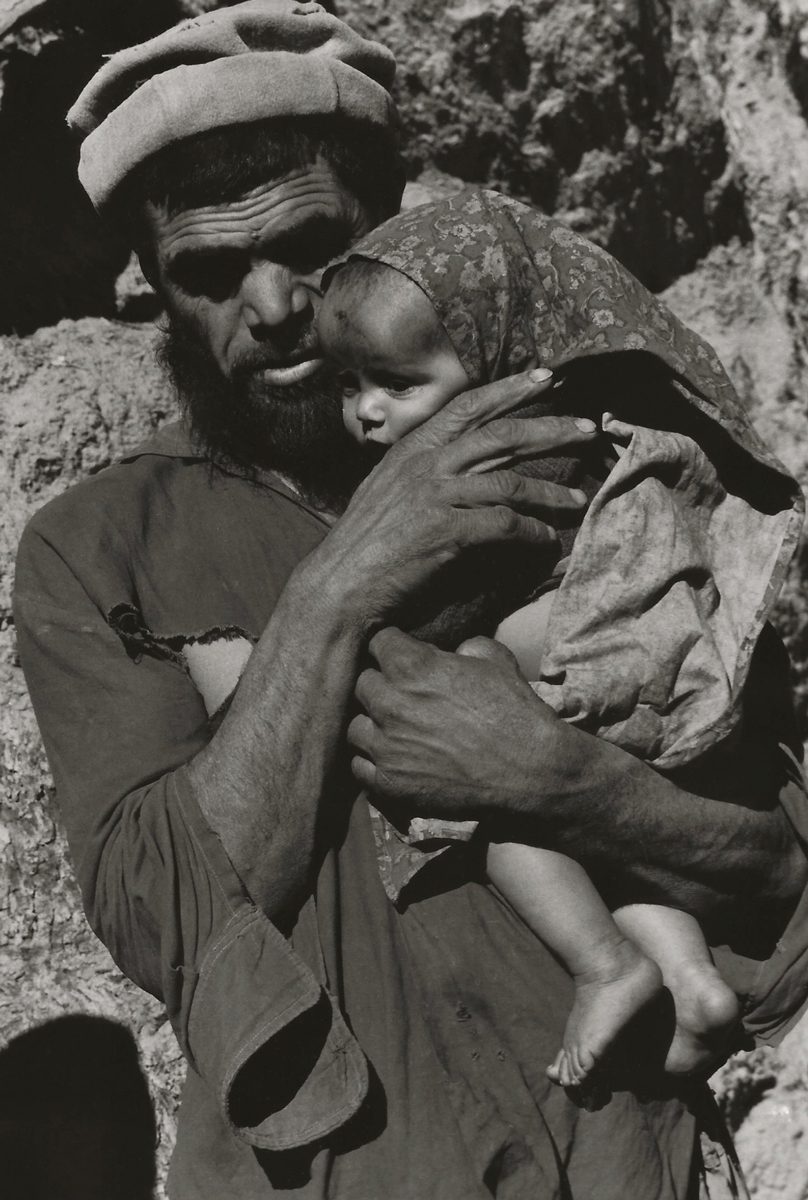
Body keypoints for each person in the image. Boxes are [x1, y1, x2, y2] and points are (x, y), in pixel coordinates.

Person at [12, 3, 808, 1197]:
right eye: (212, 272)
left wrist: (565, 784)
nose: (274, 307)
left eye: (315, 246)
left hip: (637, 1158)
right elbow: (160, 925)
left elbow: (777, 863)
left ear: (395, 225)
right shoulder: (101, 549)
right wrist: (339, 587)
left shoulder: (579, 466)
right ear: (154, 287)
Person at [316, 186, 805, 1089]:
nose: (366, 414)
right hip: (648, 685)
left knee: (462, 750)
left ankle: (603, 965)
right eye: (349, 383)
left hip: (581, 657)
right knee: (602, 835)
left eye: (397, 384)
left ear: (500, 361)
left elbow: (437, 605)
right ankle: (692, 981)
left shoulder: (502, 449)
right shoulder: (606, 431)